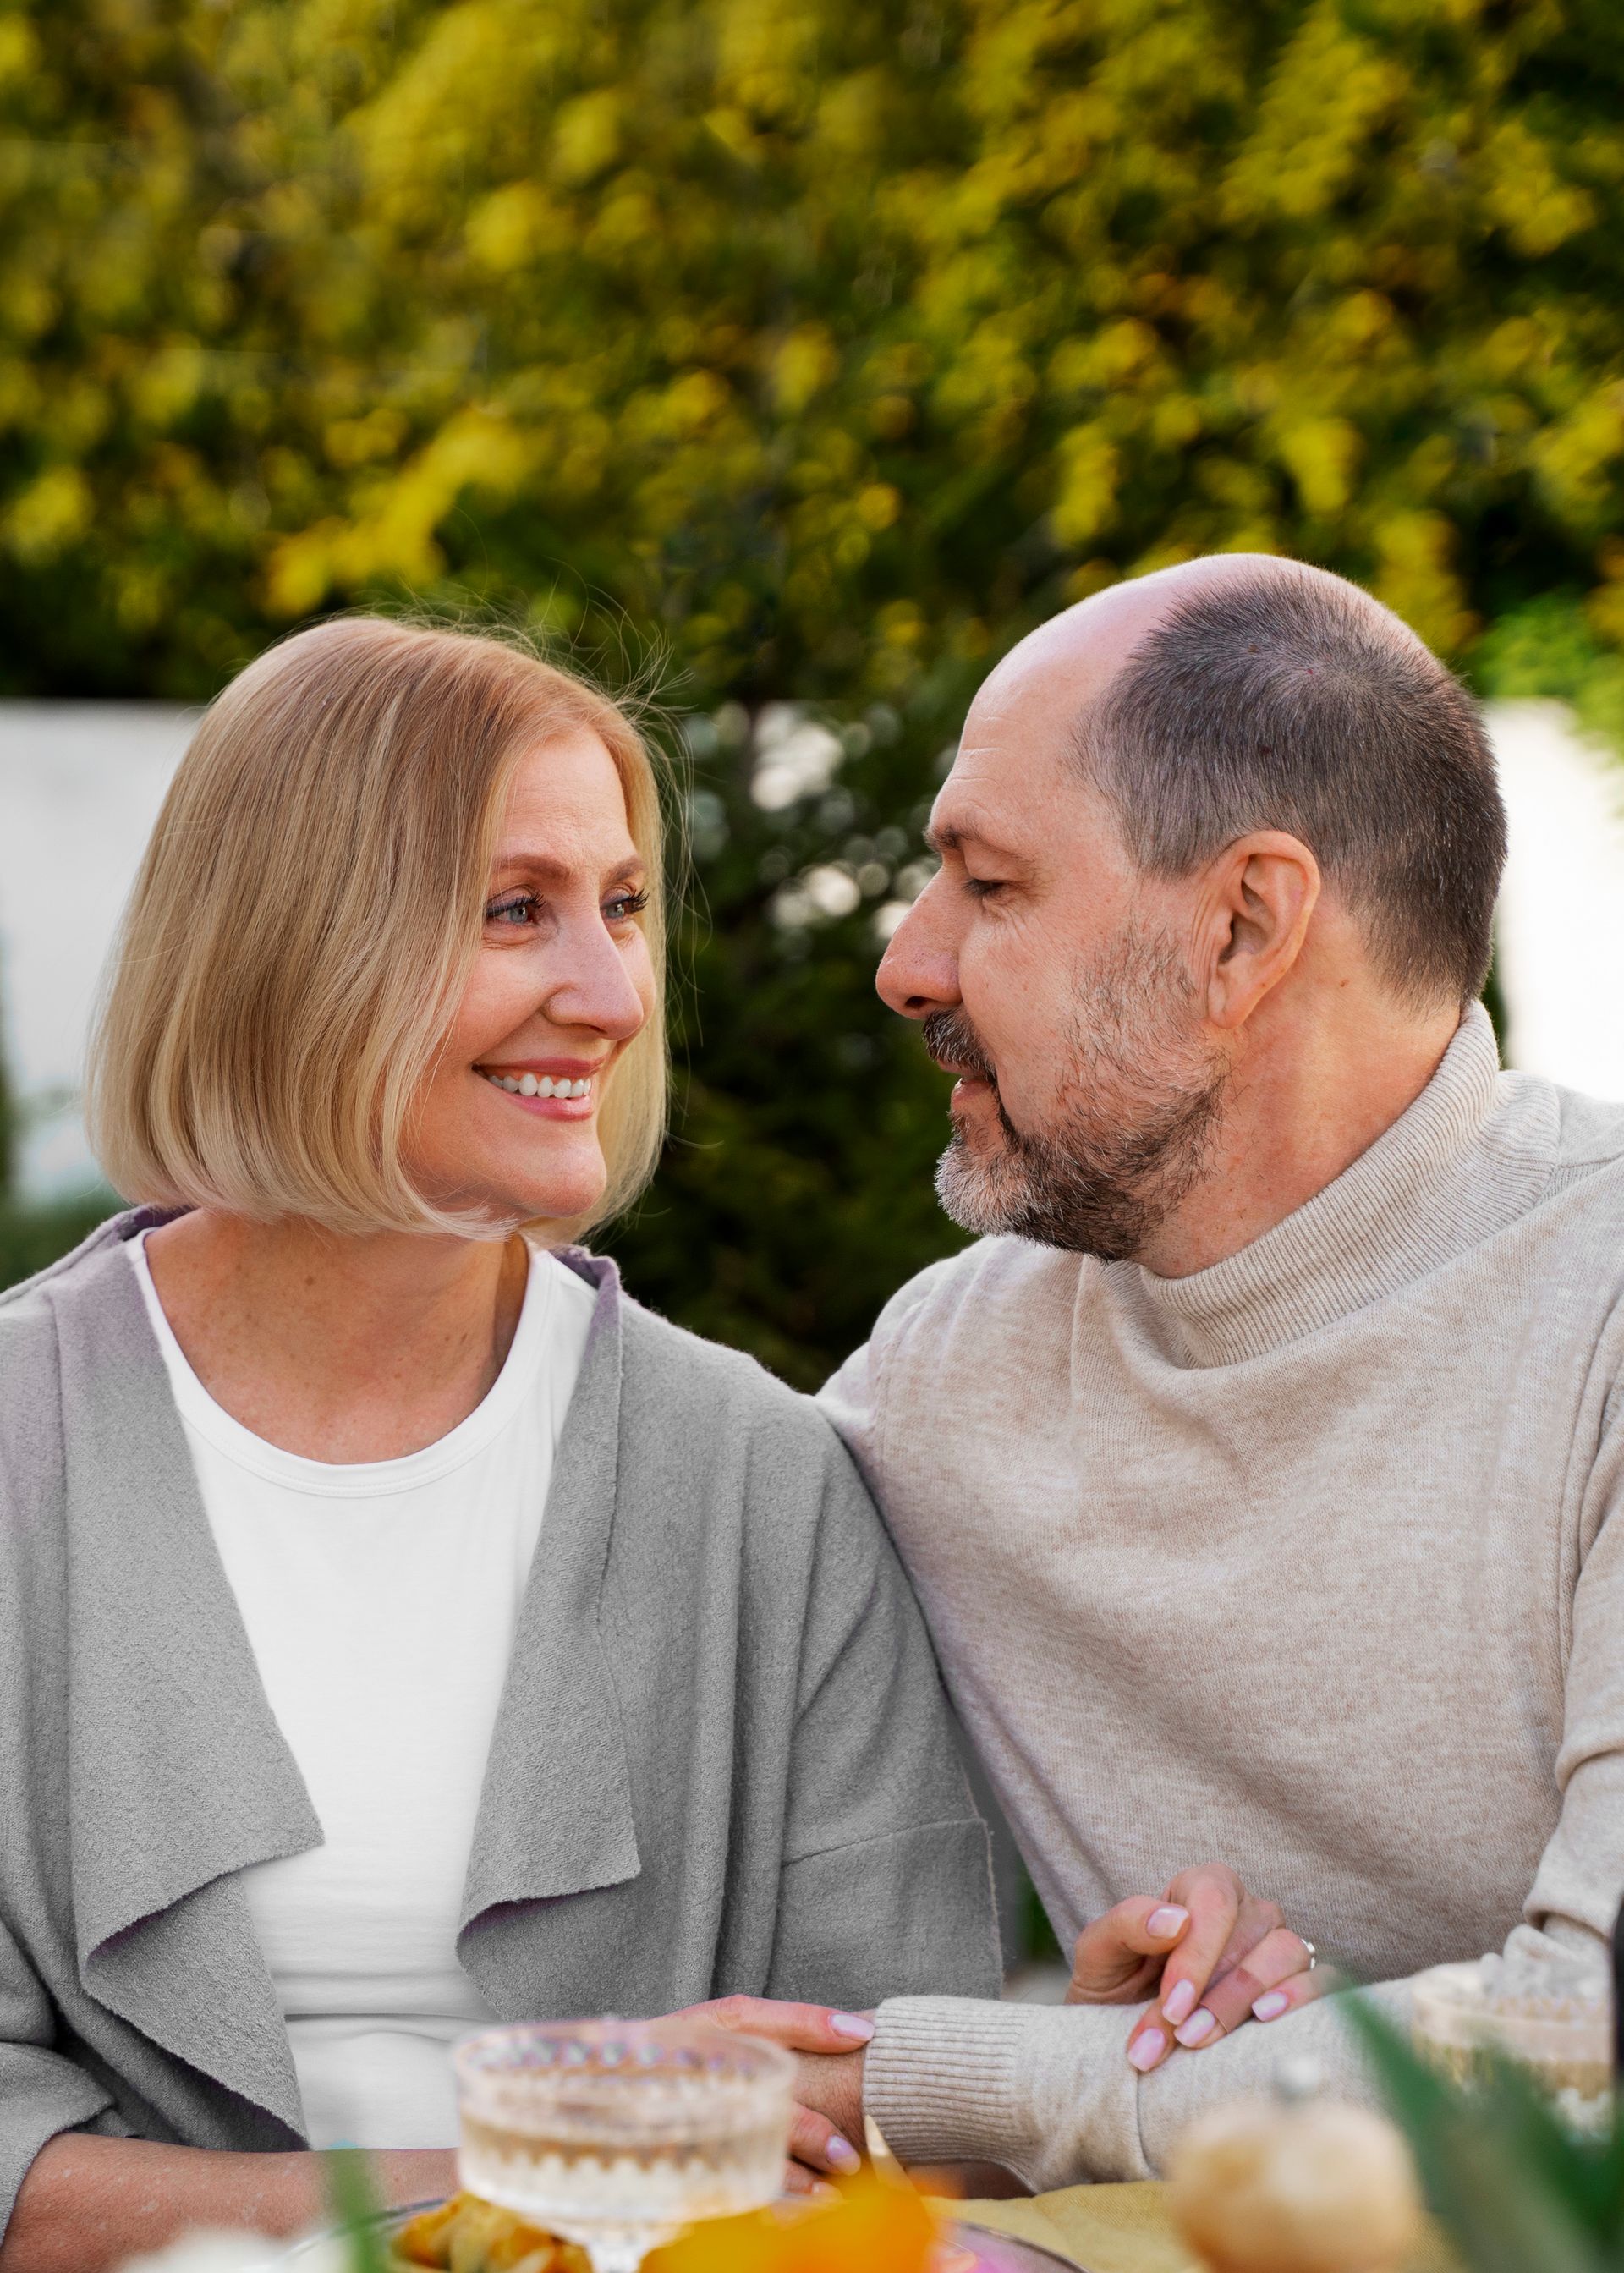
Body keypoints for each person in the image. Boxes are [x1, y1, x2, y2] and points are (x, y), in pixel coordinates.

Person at [0, 618, 1007, 2273]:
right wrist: (555, 2143)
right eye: (514, 910)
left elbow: (913, 2124)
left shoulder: (761, 1485)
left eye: (623, 905)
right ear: (290, 944)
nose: (611, 997)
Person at [810, 554, 1624, 2186]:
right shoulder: (942, 1383)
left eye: (990, 885)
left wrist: (945, 2081)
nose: (907, 963)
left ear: (1243, 926)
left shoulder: (1598, 1313)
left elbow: (1586, 2057)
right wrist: (1124, 2045)